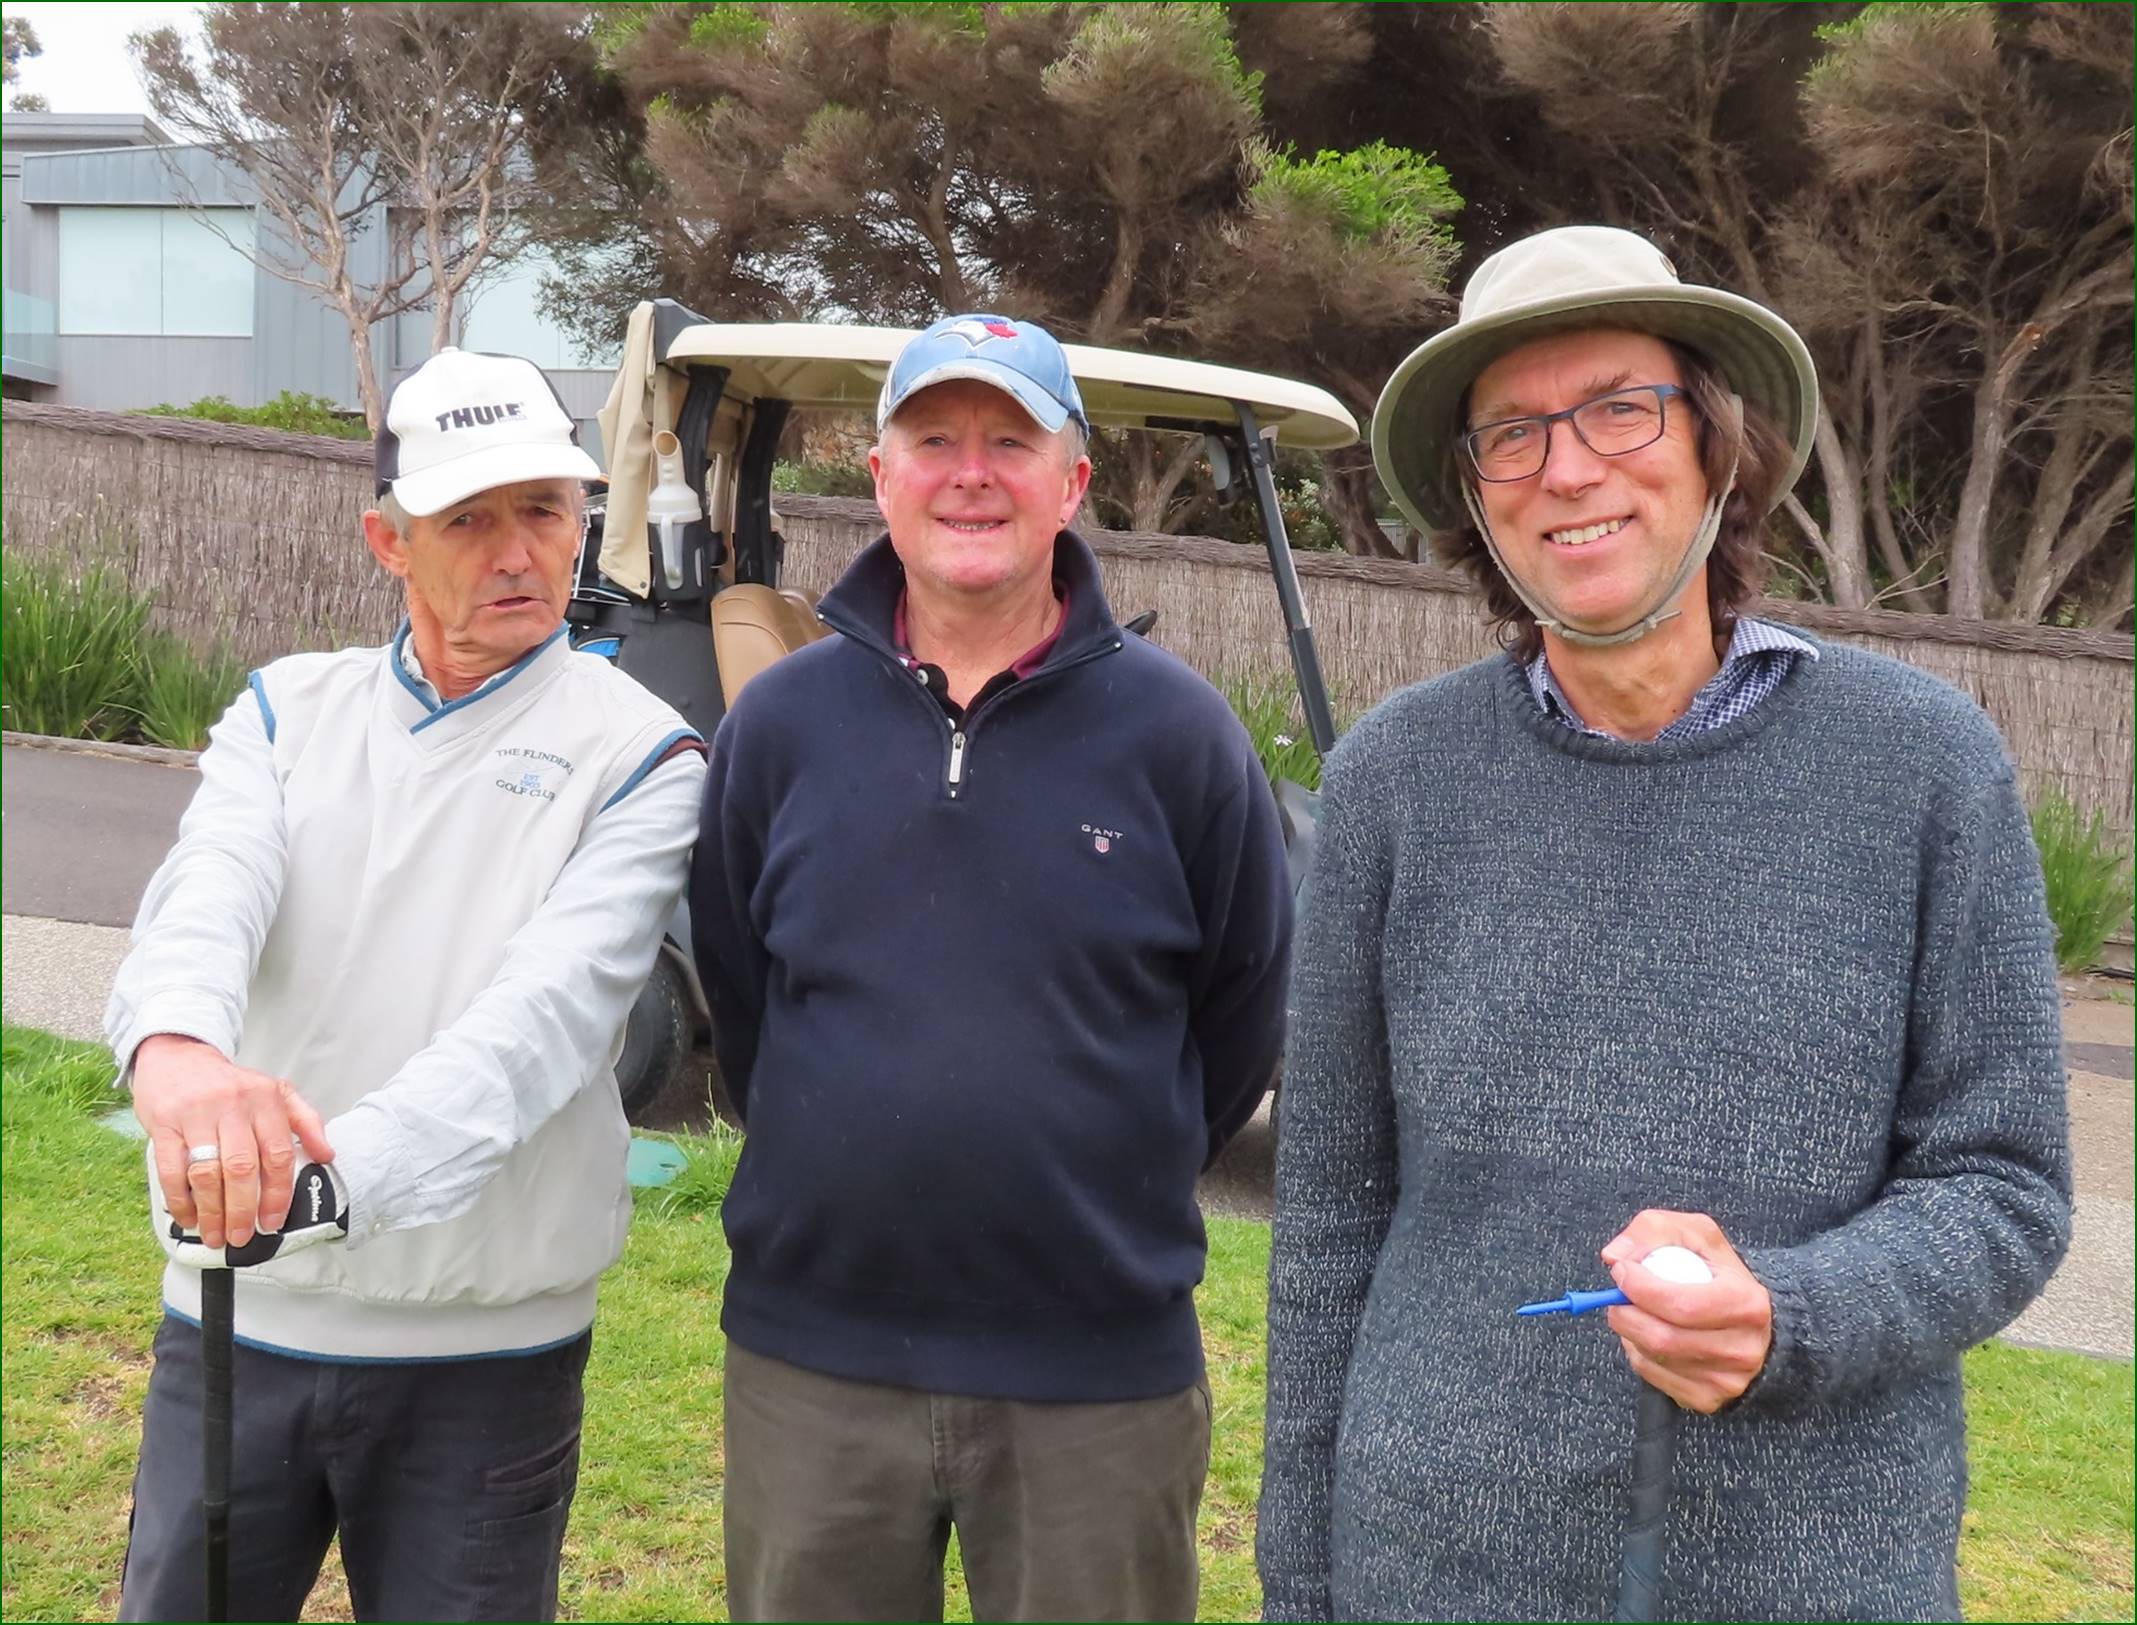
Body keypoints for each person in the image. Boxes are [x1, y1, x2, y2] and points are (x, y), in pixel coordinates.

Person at [1257, 226, 2073, 1621]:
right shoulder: (1390, 780)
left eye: (1619, 407)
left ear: (1718, 446)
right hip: (1436, 1569)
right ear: (1474, 494)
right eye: (1510, 434)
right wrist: (1301, 1583)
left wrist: (1790, 1314)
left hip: (1807, 1574)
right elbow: (1331, 1217)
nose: (1567, 468)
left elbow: (2004, 1186)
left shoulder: (1924, 766)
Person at [692, 312, 1292, 1622]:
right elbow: (741, 998)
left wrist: (1096, 1164)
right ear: (881, 473)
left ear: (1072, 484)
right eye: (936, 438)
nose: (973, 472)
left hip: (1097, 1377)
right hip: (817, 1364)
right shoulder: (781, 727)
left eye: (1012, 440)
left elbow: (1241, 1015)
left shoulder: (1182, 738)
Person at [106, 347, 707, 1622]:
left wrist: (311, 1183)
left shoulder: (644, 753)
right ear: (389, 540)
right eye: (470, 518)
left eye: (545, 510)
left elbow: (543, 1022)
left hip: (485, 1351)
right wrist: (175, 1057)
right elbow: (203, 904)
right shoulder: (284, 710)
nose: (518, 552)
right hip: (233, 1325)